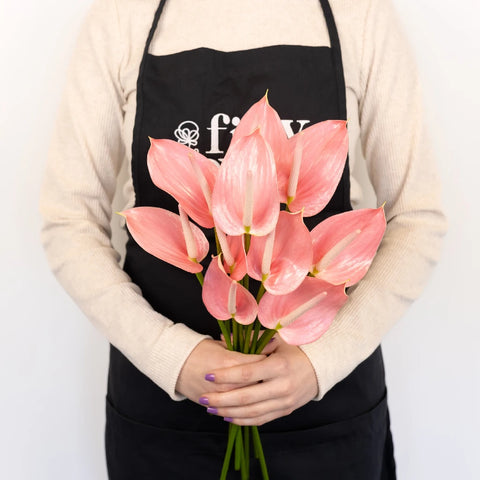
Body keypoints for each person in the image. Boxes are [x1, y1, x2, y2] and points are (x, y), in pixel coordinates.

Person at [40, 0, 447, 478]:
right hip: (165, 420)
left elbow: (418, 218)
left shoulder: (359, 15)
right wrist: (173, 357)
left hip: (323, 416)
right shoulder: (122, 17)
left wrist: (318, 363)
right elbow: (68, 220)